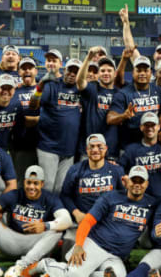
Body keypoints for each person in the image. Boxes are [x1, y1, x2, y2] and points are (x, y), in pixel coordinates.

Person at [31, 166, 156, 277]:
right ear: (127, 181)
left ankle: (59, 275)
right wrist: (79, 245)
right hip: (95, 245)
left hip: (116, 256)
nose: (137, 184)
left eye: (141, 181)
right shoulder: (111, 197)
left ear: (147, 184)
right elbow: (87, 221)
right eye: (134, 180)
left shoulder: (151, 204)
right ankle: (46, 265)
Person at [0, 165, 72, 277]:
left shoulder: (50, 198)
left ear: (42, 184)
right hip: (11, 240)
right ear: (24, 182)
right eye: (28, 183)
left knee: (57, 231)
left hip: (34, 244)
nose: (31, 187)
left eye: (36, 183)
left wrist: (45, 226)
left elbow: (67, 220)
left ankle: (19, 268)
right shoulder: (14, 195)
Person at [61, 134, 125, 251]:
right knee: (69, 249)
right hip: (82, 220)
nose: (95, 150)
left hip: (107, 222)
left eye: (99, 146)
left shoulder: (117, 170)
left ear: (106, 149)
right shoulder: (75, 170)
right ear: (87, 150)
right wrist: (76, 213)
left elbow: (123, 197)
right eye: (92, 147)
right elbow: (65, 195)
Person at [33, 58, 83, 194]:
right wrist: (40, 86)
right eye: (70, 70)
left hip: (69, 149)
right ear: (64, 70)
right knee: (47, 186)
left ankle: (55, 214)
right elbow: (33, 105)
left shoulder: (81, 89)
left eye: (76, 72)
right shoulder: (52, 85)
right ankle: (43, 213)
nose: (72, 74)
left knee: (61, 189)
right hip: (49, 146)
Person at [77, 47, 124, 161]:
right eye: (102, 71)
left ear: (115, 73)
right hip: (89, 149)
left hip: (112, 150)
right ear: (98, 74)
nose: (106, 73)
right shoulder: (92, 89)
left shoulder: (121, 94)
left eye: (109, 71)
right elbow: (80, 82)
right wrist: (88, 58)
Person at [107, 56, 161, 147]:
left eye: (145, 70)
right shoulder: (123, 93)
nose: (142, 73)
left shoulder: (159, 91)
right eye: (138, 70)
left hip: (153, 145)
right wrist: (124, 116)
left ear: (151, 73)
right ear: (133, 72)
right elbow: (110, 119)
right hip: (130, 146)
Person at [11, 57, 41, 185]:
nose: (27, 71)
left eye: (30, 68)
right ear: (19, 72)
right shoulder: (13, 91)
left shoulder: (44, 90)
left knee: (41, 180)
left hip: (43, 143)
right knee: (21, 181)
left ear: (36, 71)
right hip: (20, 144)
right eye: (23, 68)